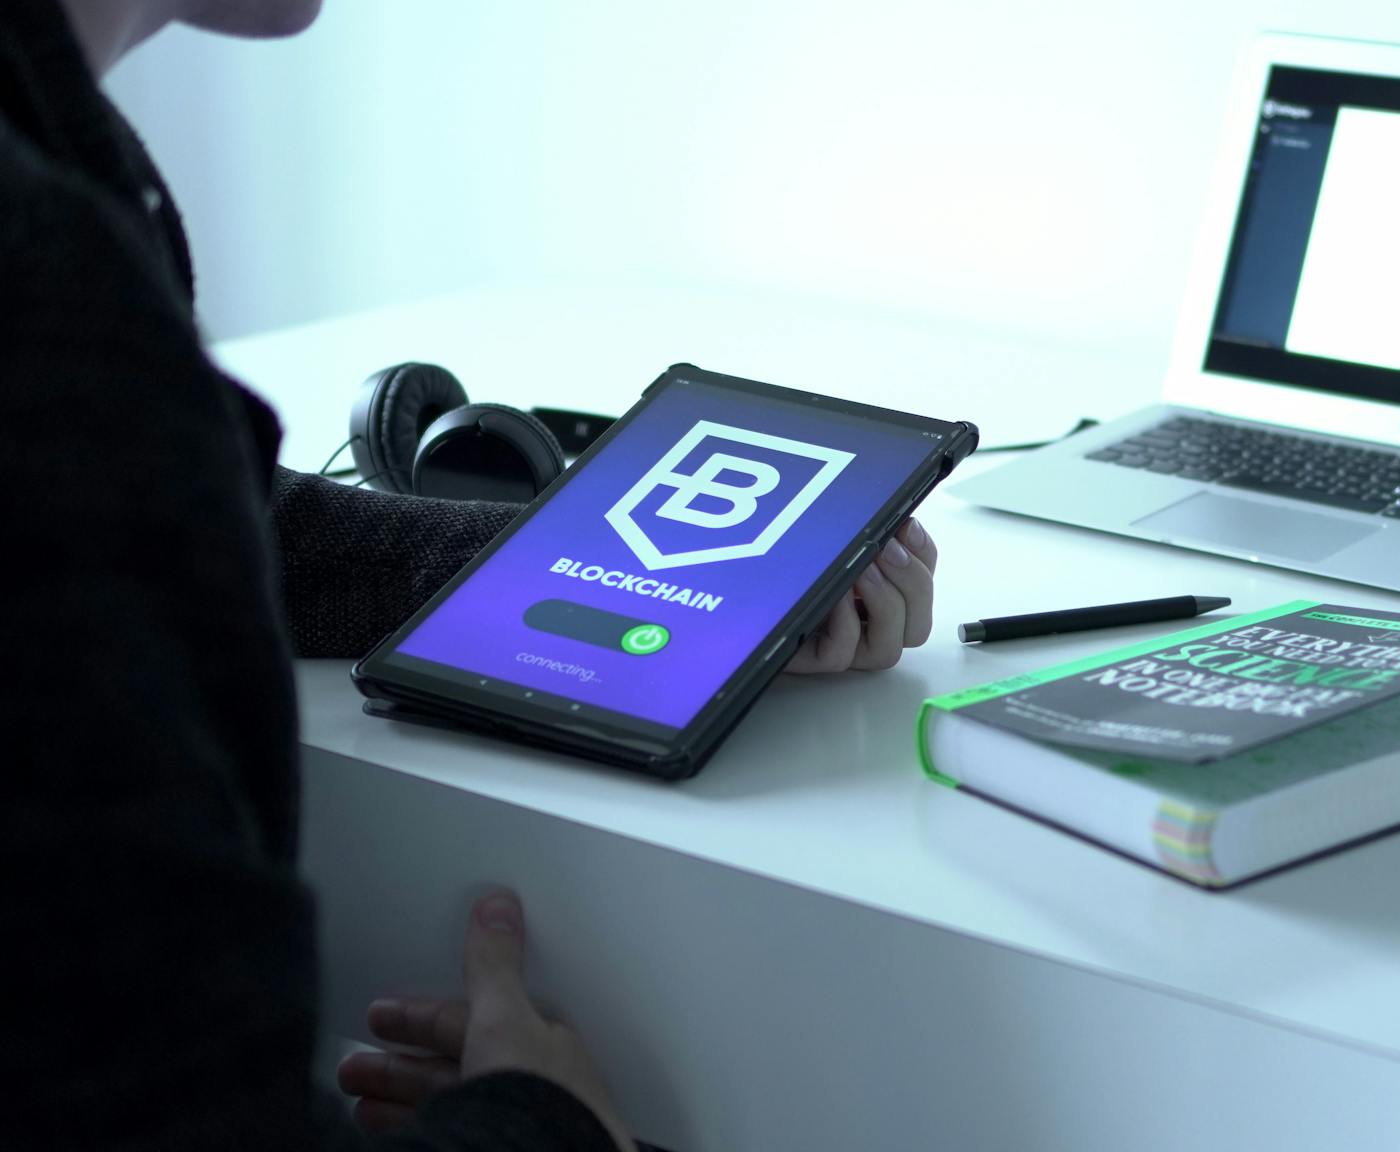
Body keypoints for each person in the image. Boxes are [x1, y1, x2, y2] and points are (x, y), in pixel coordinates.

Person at [1, 1, 943, 1148]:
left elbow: (240, 529)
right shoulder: (51, 312)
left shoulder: (61, 195)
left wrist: (633, 589)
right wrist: (546, 1123)